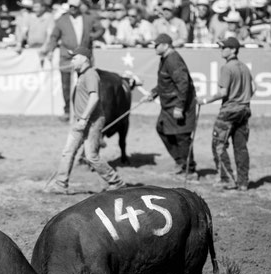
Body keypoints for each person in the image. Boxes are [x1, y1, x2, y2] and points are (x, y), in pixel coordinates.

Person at [44, 47, 126, 194]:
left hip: (91, 122)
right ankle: (60, 184)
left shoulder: (90, 74)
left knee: (91, 156)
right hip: (82, 121)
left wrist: (83, 118)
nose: (72, 60)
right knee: (68, 152)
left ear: (84, 59)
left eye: (75, 57)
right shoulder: (82, 74)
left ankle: (116, 182)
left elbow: (94, 98)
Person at [197, 37, 254, 191]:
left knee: (218, 145)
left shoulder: (227, 68)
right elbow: (253, 88)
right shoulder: (244, 67)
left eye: (224, 47)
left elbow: (223, 92)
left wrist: (205, 100)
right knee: (241, 147)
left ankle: (226, 179)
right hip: (244, 110)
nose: (221, 50)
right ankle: (243, 182)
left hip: (229, 111)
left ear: (233, 49)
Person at [143, 33, 198, 180]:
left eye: (156, 45)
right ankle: (180, 162)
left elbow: (183, 84)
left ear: (166, 45)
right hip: (168, 105)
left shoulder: (173, 60)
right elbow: (166, 82)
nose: (154, 47)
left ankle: (190, 170)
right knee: (162, 129)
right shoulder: (165, 59)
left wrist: (180, 107)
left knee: (182, 136)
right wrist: (154, 93)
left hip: (179, 105)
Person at [40, 0, 104, 122]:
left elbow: (101, 29)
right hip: (66, 57)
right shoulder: (61, 20)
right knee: (66, 85)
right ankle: (68, 111)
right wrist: (50, 50)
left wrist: (92, 36)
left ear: (80, 7)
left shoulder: (88, 18)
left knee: (85, 84)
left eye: (75, 7)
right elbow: (54, 37)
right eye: (71, 7)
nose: (73, 9)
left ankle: (85, 110)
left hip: (84, 56)